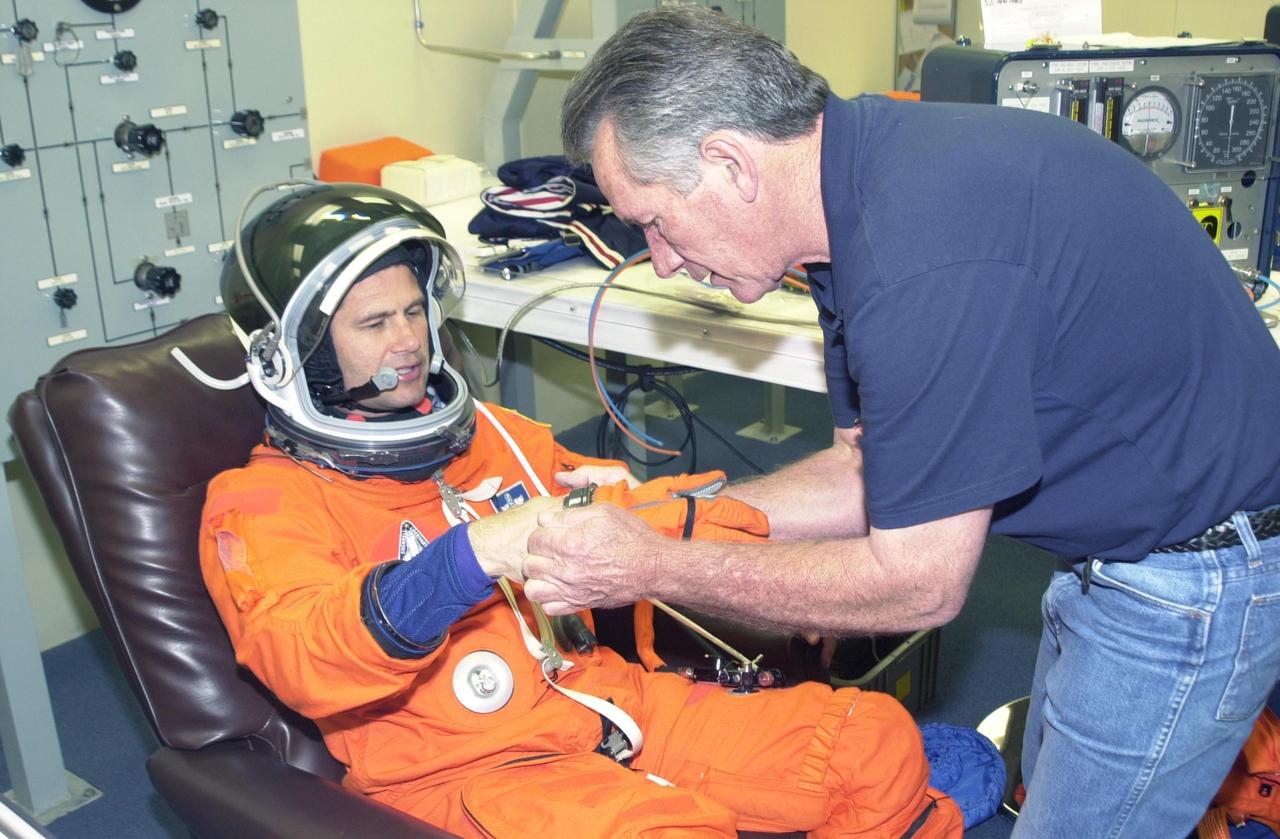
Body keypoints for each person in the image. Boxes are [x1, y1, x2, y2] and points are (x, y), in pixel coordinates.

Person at [533, 7, 1280, 839]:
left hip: (1196, 573)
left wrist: (655, 567)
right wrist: (672, 515)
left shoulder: (915, 259)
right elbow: (868, 471)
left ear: (730, 162)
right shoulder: (848, 193)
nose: (662, 259)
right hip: (1124, 539)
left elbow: (920, 579)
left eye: (653, 221)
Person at [199, 181, 962, 838]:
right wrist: (474, 555)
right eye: (374, 324)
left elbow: (630, 513)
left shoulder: (500, 436)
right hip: (464, 772)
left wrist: (784, 518)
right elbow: (305, 652)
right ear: (294, 352)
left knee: (874, 744)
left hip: (609, 703)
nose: (410, 340)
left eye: (413, 311)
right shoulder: (261, 504)